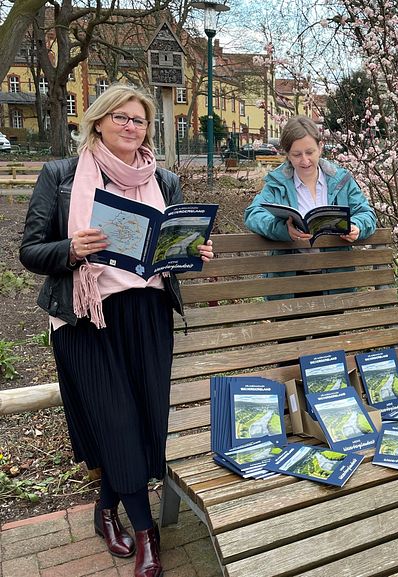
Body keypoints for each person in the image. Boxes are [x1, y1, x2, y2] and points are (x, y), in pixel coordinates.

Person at [19, 83, 213, 577]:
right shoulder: (62, 176)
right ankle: (146, 533)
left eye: (140, 120)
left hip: (148, 314)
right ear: (99, 121)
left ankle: (105, 510)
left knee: (142, 422)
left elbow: (170, 250)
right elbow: (29, 251)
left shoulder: (164, 181)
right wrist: (71, 249)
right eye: (122, 118)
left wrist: (193, 253)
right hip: (88, 318)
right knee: (117, 422)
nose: (132, 127)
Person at [244, 116, 376, 274]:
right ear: (287, 154)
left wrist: (356, 227)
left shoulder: (341, 180)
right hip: (290, 278)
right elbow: (253, 214)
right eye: (297, 155)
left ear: (320, 147)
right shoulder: (277, 183)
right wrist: (283, 229)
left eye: (310, 152)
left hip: (335, 277)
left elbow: (367, 214)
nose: (305, 160)